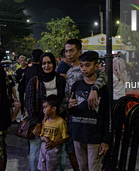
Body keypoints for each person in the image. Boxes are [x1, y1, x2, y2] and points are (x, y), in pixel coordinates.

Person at [64, 39, 107, 171]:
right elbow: (71, 105)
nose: (84, 69)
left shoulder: (101, 84)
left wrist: (106, 140)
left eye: (87, 65)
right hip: (78, 131)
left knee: (94, 167)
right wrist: (69, 107)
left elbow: (106, 114)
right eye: (82, 65)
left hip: (94, 133)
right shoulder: (74, 79)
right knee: (82, 166)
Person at [26, 52, 66, 171]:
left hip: (56, 127)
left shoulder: (60, 80)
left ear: (54, 64)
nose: (46, 66)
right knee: (35, 158)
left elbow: (64, 100)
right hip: (39, 127)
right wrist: (37, 123)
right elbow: (29, 104)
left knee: (57, 158)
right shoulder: (34, 81)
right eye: (43, 63)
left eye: (49, 63)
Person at [38, 95, 69, 171]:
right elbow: (41, 135)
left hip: (54, 150)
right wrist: (44, 138)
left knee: (53, 168)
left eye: (45, 107)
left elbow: (65, 138)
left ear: (54, 109)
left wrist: (54, 143)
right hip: (44, 149)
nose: (43, 110)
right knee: (42, 167)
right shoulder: (45, 121)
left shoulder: (61, 122)